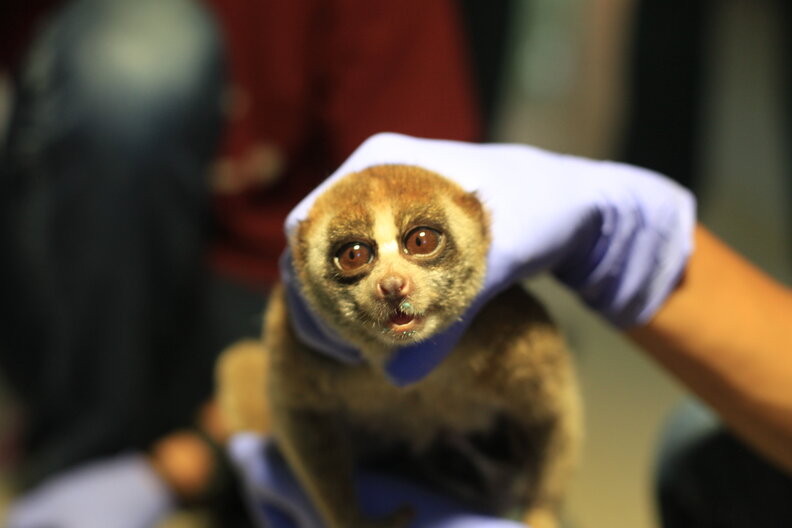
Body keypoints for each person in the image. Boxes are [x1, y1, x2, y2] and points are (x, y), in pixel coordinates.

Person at [0, 1, 481, 526]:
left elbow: (431, 269)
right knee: (139, 57)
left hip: (271, 306)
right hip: (88, 300)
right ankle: (76, 460)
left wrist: (184, 463)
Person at [230, 132, 792, 527]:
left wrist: (543, 511)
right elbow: (297, 412)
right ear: (303, 262)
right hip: (370, 452)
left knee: (694, 450)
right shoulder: (297, 337)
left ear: (478, 224)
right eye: (354, 255)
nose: (391, 280)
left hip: (480, 462)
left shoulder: (508, 335)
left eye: (421, 241)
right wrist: (343, 515)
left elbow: (552, 415)